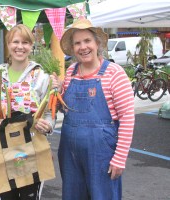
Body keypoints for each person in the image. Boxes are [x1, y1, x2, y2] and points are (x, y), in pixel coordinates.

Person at [51, 18, 135, 200]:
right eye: (77, 43)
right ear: (73, 48)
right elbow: (63, 109)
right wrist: (56, 92)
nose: (83, 47)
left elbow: (127, 117)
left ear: (97, 43)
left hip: (102, 154)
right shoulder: (71, 72)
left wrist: (120, 158)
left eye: (87, 41)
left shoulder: (114, 73)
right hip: (70, 154)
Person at [0, 24, 56, 200]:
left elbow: (50, 115)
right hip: (4, 148)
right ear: (8, 44)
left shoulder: (41, 77)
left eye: (25, 42)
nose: (20, 46)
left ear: (31, 45)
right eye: (15, 41)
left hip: (32, 147)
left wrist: (47, 125)